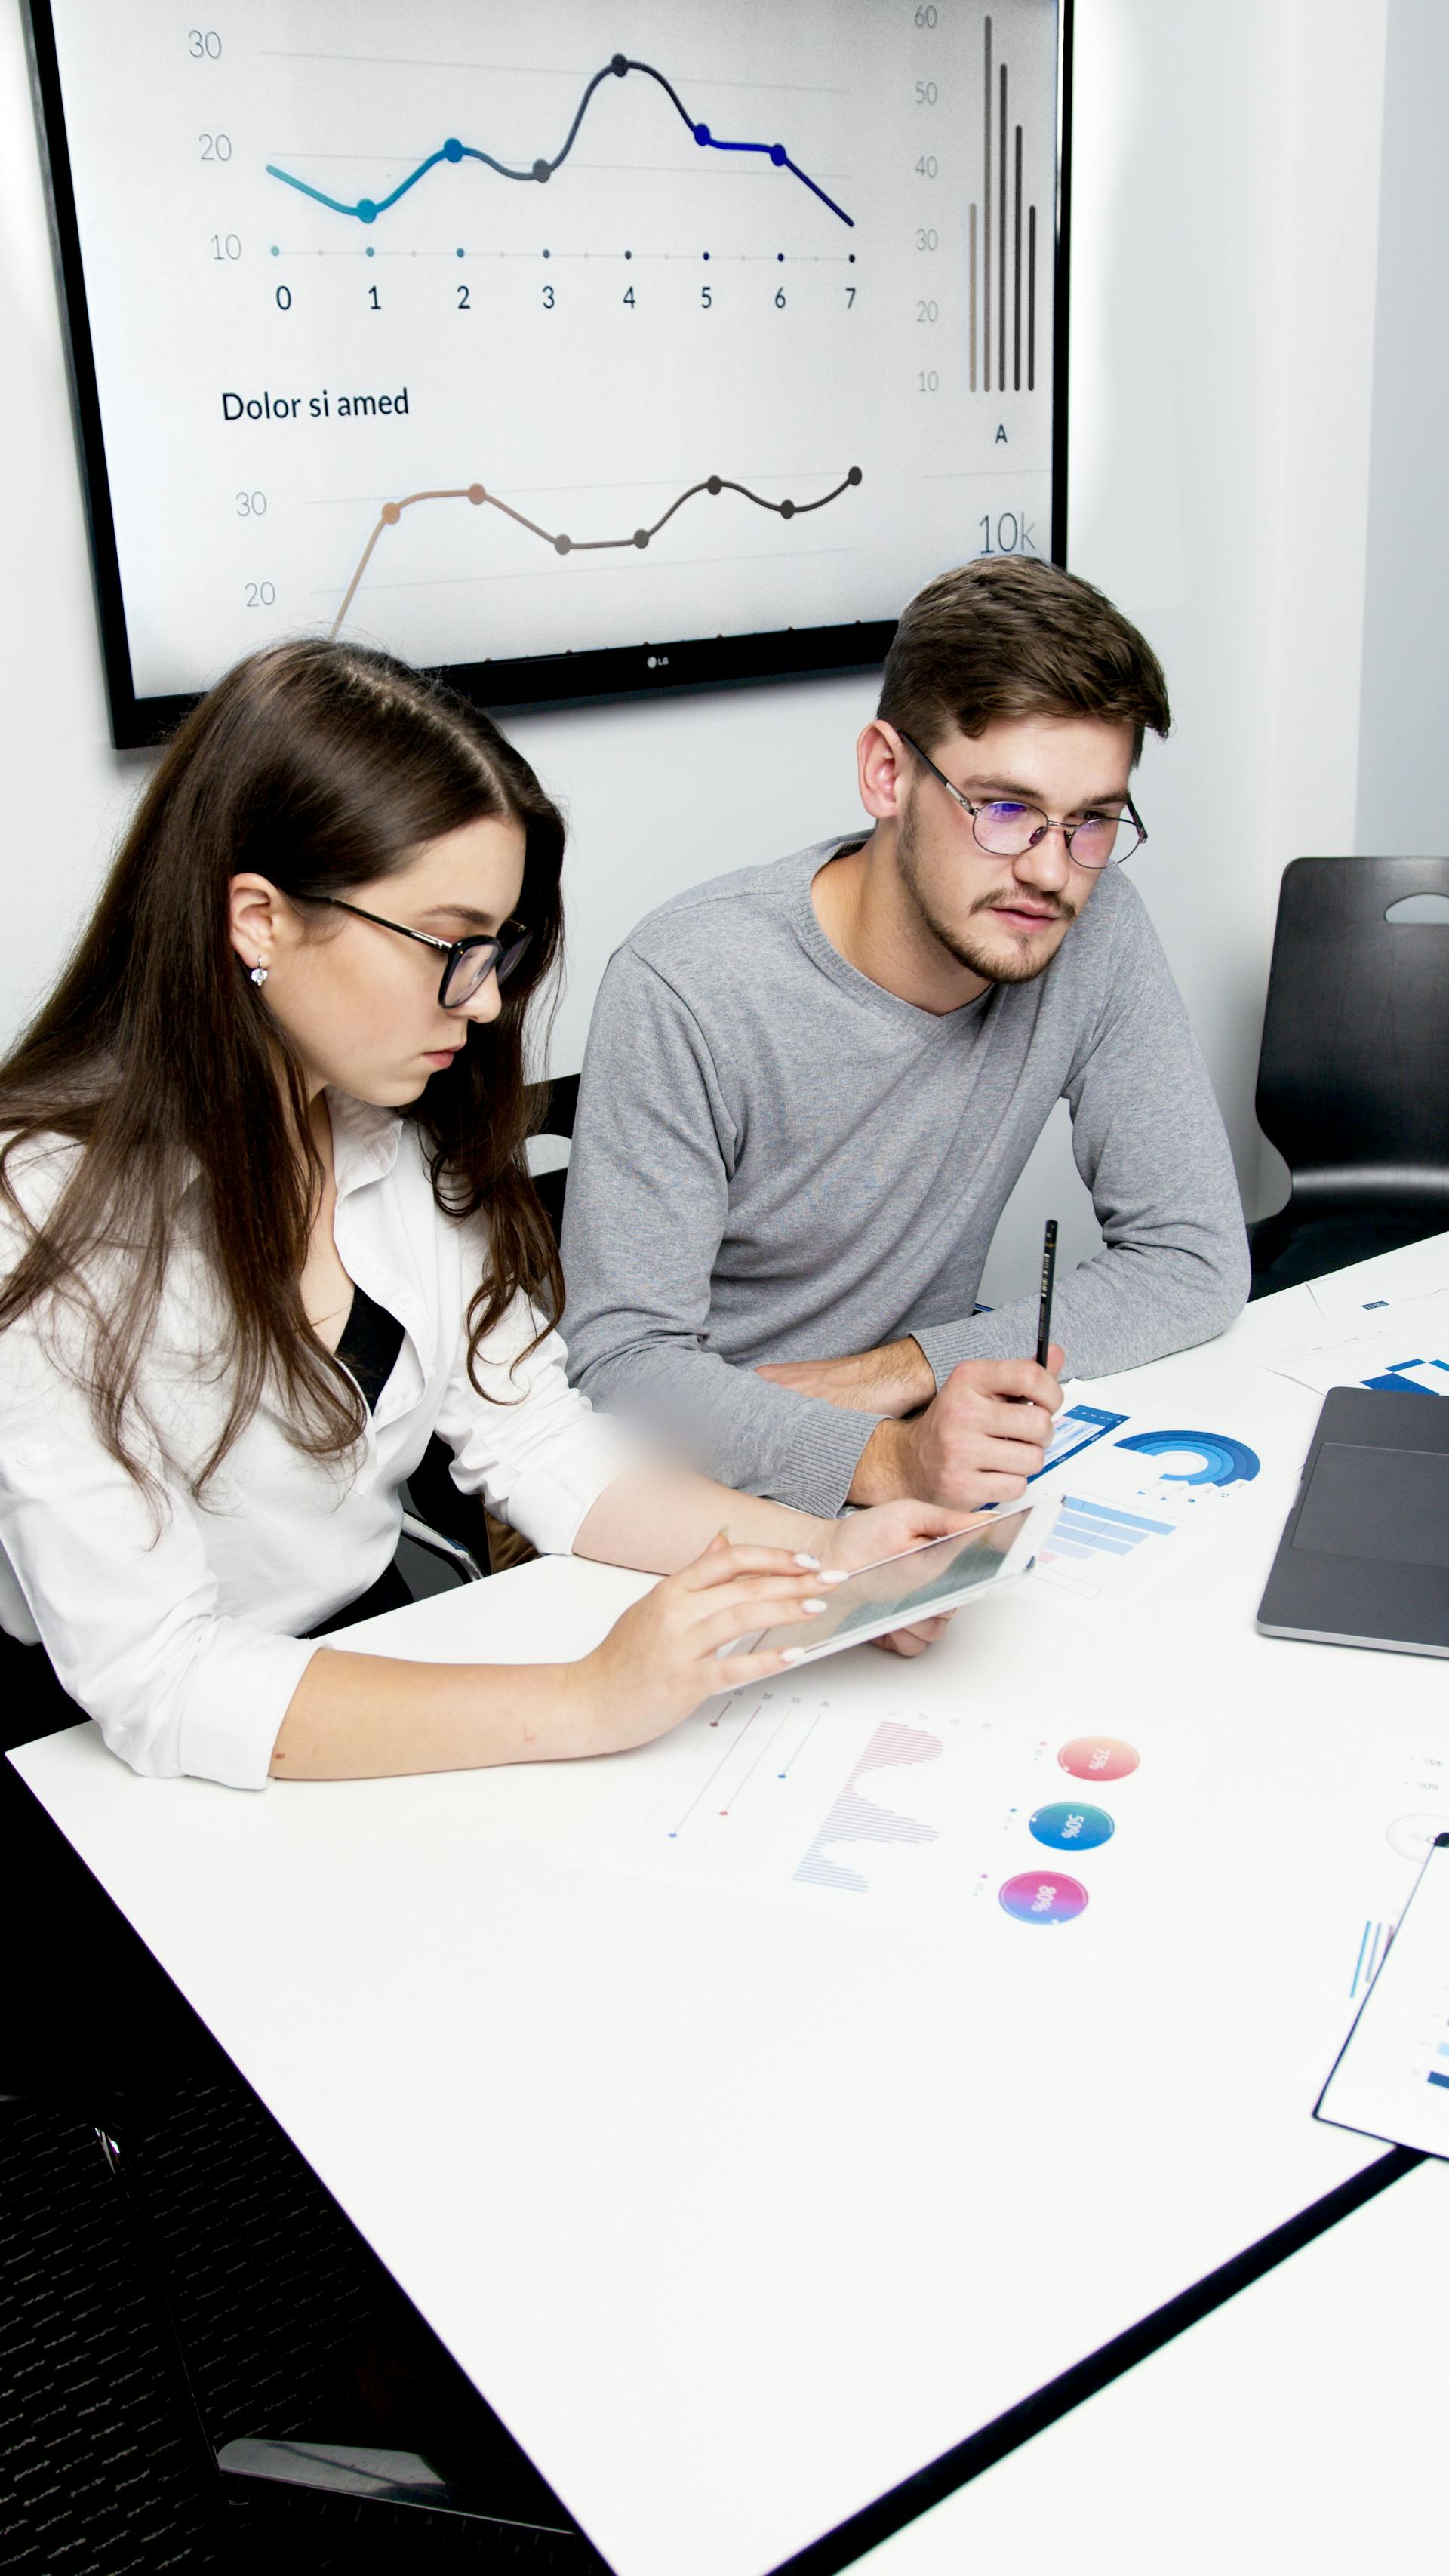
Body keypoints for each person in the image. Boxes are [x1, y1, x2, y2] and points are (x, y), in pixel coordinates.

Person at [0, 642, 963, 1796]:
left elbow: (536, 1441)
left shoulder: (377, 1127)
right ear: (256, 918)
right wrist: (590, 1695)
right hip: (127, 1754)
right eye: (451, 944)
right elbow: (158, 1678)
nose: (489, 997)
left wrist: (825, 1555)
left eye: (497, 949)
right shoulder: (41, 1213)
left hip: (369, 1644)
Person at [559, 556, 1250, 1519]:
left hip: (912, 1453)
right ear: (886, 773)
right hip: (684, 1481)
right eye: (1005, 809)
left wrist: (902, 1373)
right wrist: (879, 1456)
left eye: (1091, 821)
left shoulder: (1097, 930)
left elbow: (1194, 1260)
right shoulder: (689, 981)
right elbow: (621, 1367)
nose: (1051, 872)